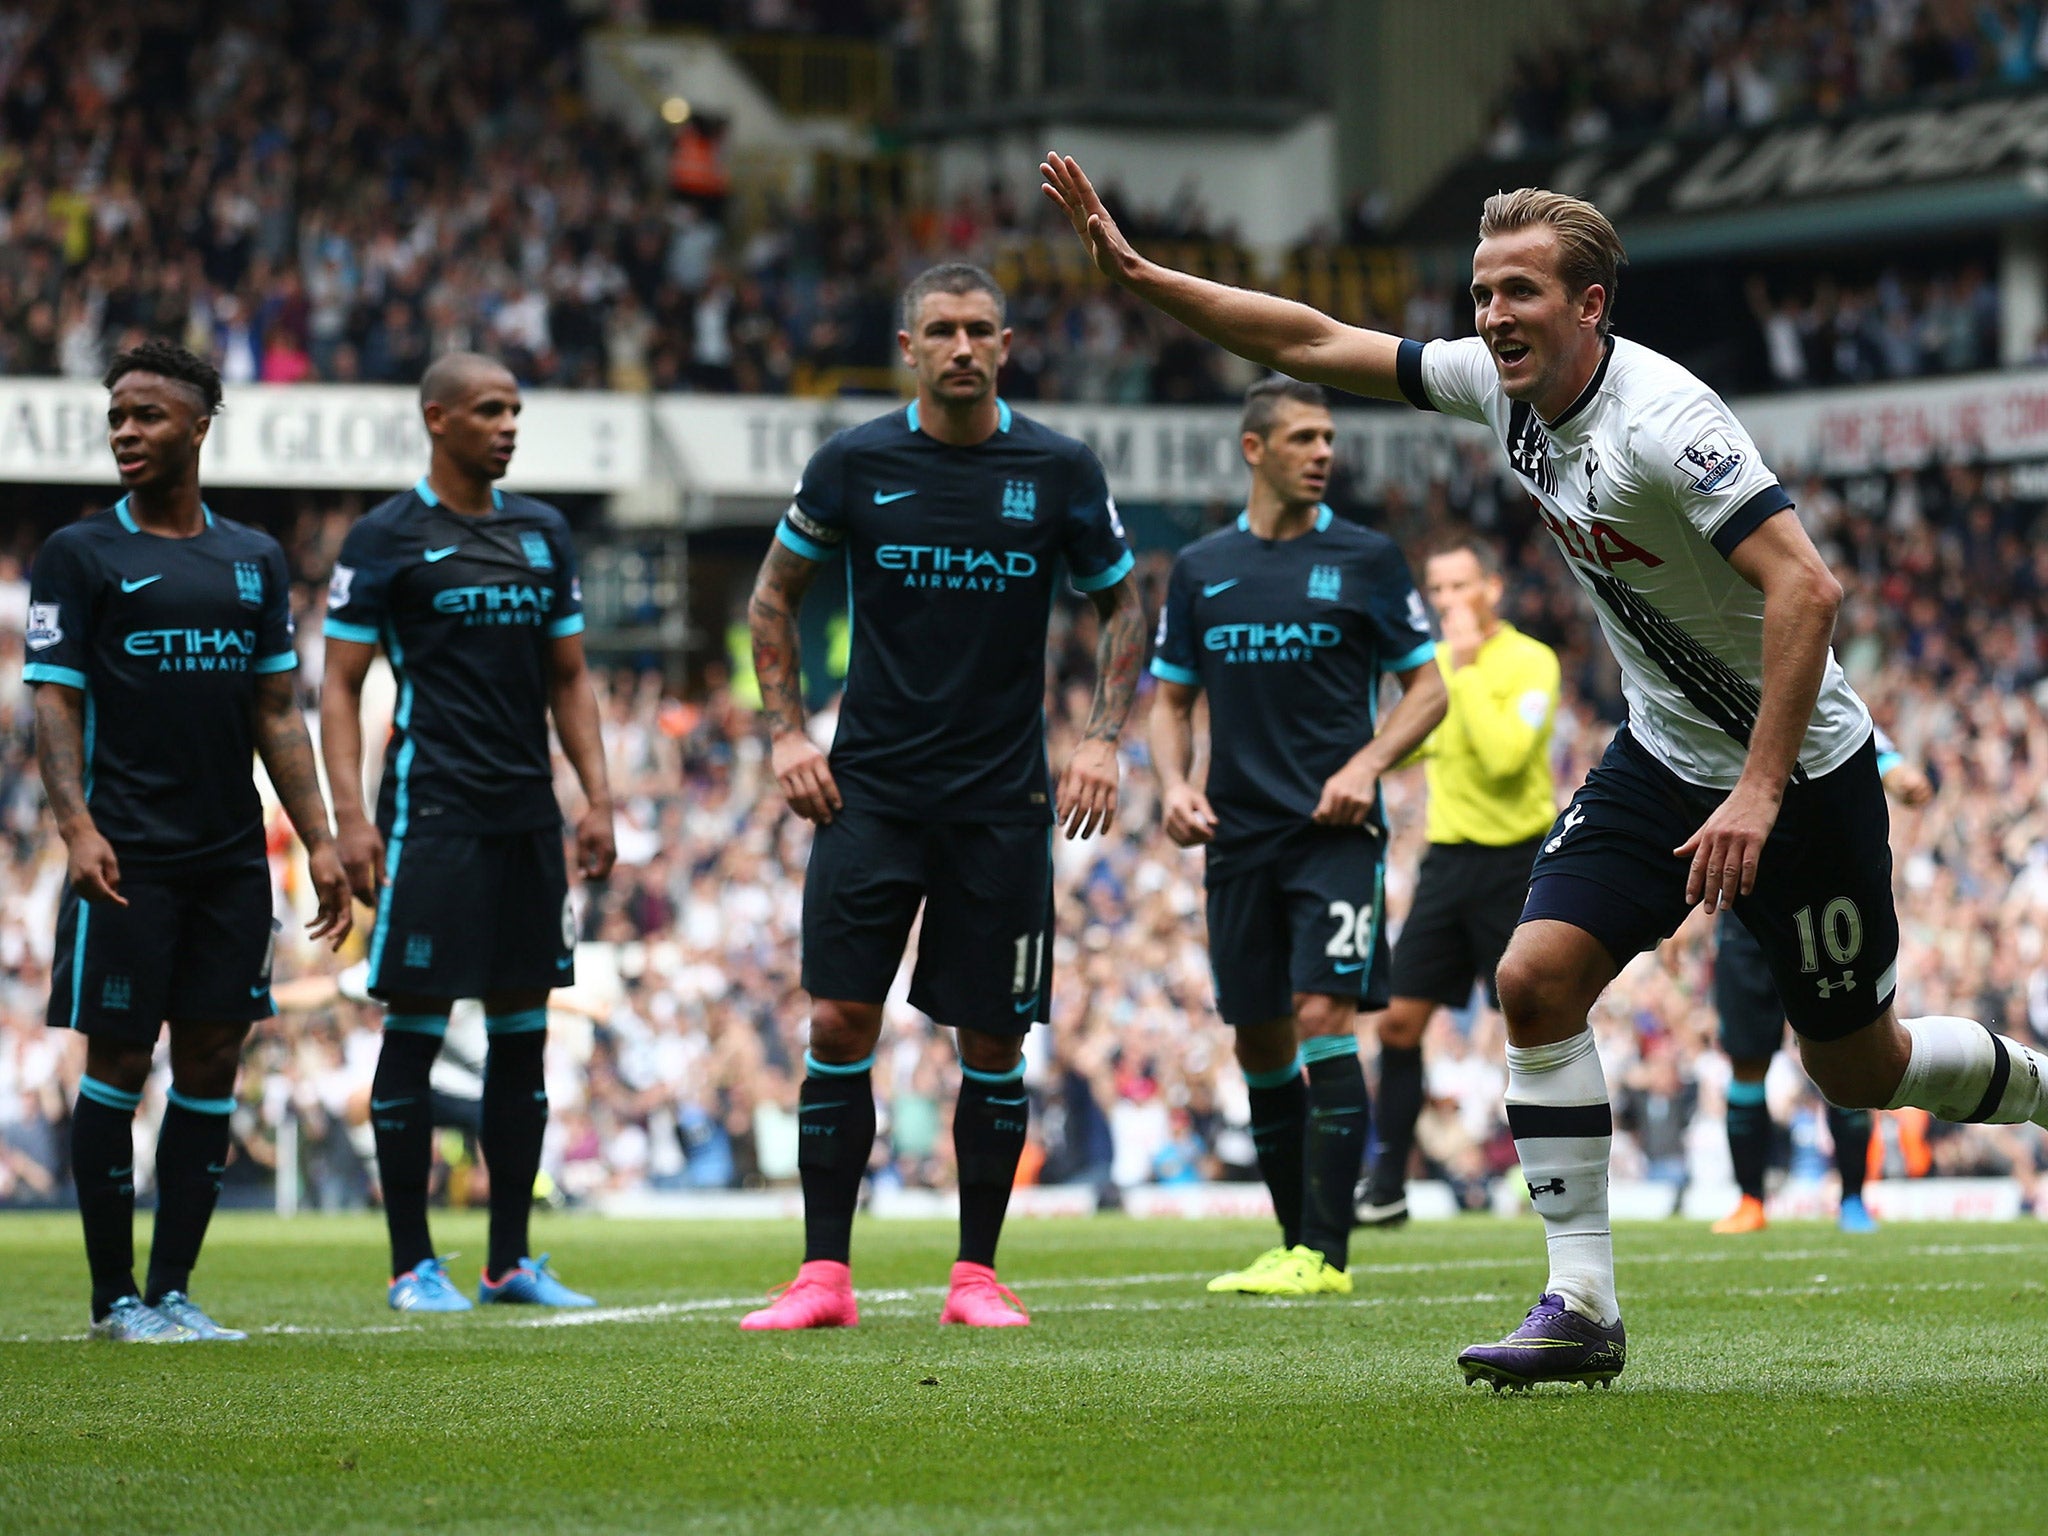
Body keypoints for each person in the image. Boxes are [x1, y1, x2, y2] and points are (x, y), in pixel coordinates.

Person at [1040, 155, 2048, 1390]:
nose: (1488, 317)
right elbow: (1314, 338)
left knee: (1857, 1066)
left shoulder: (1666, 425)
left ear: (1588, 307)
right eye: (1477, 293)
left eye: (1517, 292)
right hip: (1665, 755)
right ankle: (1579, 1304)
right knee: (1533, 979)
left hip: (1802, 771)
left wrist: (1758, 789)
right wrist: (1143, 277)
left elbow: (1808, 588)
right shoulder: (1495, 389)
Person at [741, 263, 1145, 1330]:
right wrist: (785, 731)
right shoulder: (854, 462)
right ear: (908, 347)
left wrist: (1101, 739)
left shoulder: (1056, 468)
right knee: (836, 1017)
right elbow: (772, 597)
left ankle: (975, 1276)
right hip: (866, 792)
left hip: (1001, 802)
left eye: (978, 330)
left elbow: (1123, 605)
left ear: (1004, 344)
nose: (961, 347)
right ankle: (822, 1276)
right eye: (940, 331)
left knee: (994, 1041)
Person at [26, 339, 352, 1342]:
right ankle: (112, 1298)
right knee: (119, 1062)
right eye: (117, 416)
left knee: (213, 1061)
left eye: (147, 416)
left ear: (199, 426)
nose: (126, 432)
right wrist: (75, 825)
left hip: (228, 859)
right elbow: (52, 701)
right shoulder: (80, 557)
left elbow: (278, 715)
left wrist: (323, 839)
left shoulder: (252, 560)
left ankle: (173, 1290)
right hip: (126, 855)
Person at [321, 352, 617, 1313]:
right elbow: (337, 684)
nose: (508, 425)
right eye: (490, 410)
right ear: (437, 418)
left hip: (527, 817)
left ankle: (508, 1263)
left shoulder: (543, 533)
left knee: (521, 1041)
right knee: (413, 1031)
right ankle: (413, 1265)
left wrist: (597, 799)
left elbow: (568, 677)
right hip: (430, 816)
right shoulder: (385, 537)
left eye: (516, 409)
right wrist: (351, 819)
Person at [1150, 377, 1444, 1296]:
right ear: (1254, 449)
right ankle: (1291, 1243)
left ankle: (1327, 1253)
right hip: (1236, 839)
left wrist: (1364, 767)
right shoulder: (1202, 568)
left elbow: (1428, 690)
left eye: (1328, 437)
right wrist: (1170, 783)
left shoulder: (1366, 558)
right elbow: (1170, 700)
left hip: (1333, 834)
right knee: (1260, 1040)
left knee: (1323, 1017)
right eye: (1304, 438)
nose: (1324, 452)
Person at [1358, 535, 1559, 1229]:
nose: (1448, 602)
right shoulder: (1432, 667)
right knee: (1398, 1020)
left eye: (1458, 587)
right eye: (1436, 591)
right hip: (1447, 863)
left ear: (1491, 590)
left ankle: (1548, 1177)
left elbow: (1507, 759)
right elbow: (1395, 747)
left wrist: (1465, 673)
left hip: (1517, 861)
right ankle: (1386, 1184)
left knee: (1533, 1023)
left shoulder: (1532, 663)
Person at [1712, 730, 1934, 1236]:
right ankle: (1750, 1201)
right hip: (1743, 903)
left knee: (1847, 1048)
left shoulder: (1799, 668)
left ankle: (1854, 1198)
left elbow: (1845, 724)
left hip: (1822, 897)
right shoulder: (1709, 690)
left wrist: (1892, 764)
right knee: (1747, 1057)